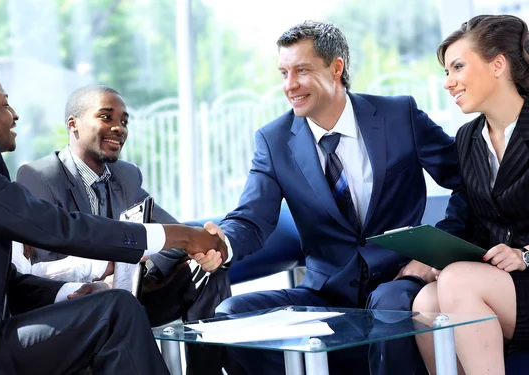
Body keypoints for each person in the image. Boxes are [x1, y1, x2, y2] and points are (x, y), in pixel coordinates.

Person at [197, 20, 465, 375]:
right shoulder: (274, 140)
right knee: (230, 315)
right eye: (284, 73)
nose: (289, 85)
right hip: (324, 295)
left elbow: (468, 182)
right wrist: (223, 242)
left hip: (398, 281)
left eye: (301, 70)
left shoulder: (398, 116)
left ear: (336, 68)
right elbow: (252, 217)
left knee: (389, 304)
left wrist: (433, 254)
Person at [0, 61, 227, 375]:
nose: (14, 114)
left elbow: (7, 282)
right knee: (115, 312)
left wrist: (68, 292)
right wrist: (182, 236)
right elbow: (60, 227)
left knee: (112, 305)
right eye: (3, 104)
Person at [16, 85, 231, 374]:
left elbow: (170, 231)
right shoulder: (39, 176)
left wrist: (197, 252)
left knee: (208, 272)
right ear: (73, 124)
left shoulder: (126, 174)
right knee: (115, 305)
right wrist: (98, 274)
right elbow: (40, 267)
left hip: (129, 291)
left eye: (124, 121)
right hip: (80, 300)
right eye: (106, 117)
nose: (119, 128)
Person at [413, 14, 529, 375]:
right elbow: (469, 219)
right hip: (503, 282)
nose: (449, 83)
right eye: (446, 72)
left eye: (458, 67)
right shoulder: (467, 139)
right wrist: (437, 254)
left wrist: (526, 254)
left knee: (458, 282)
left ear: (498, 65)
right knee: (426, 300)